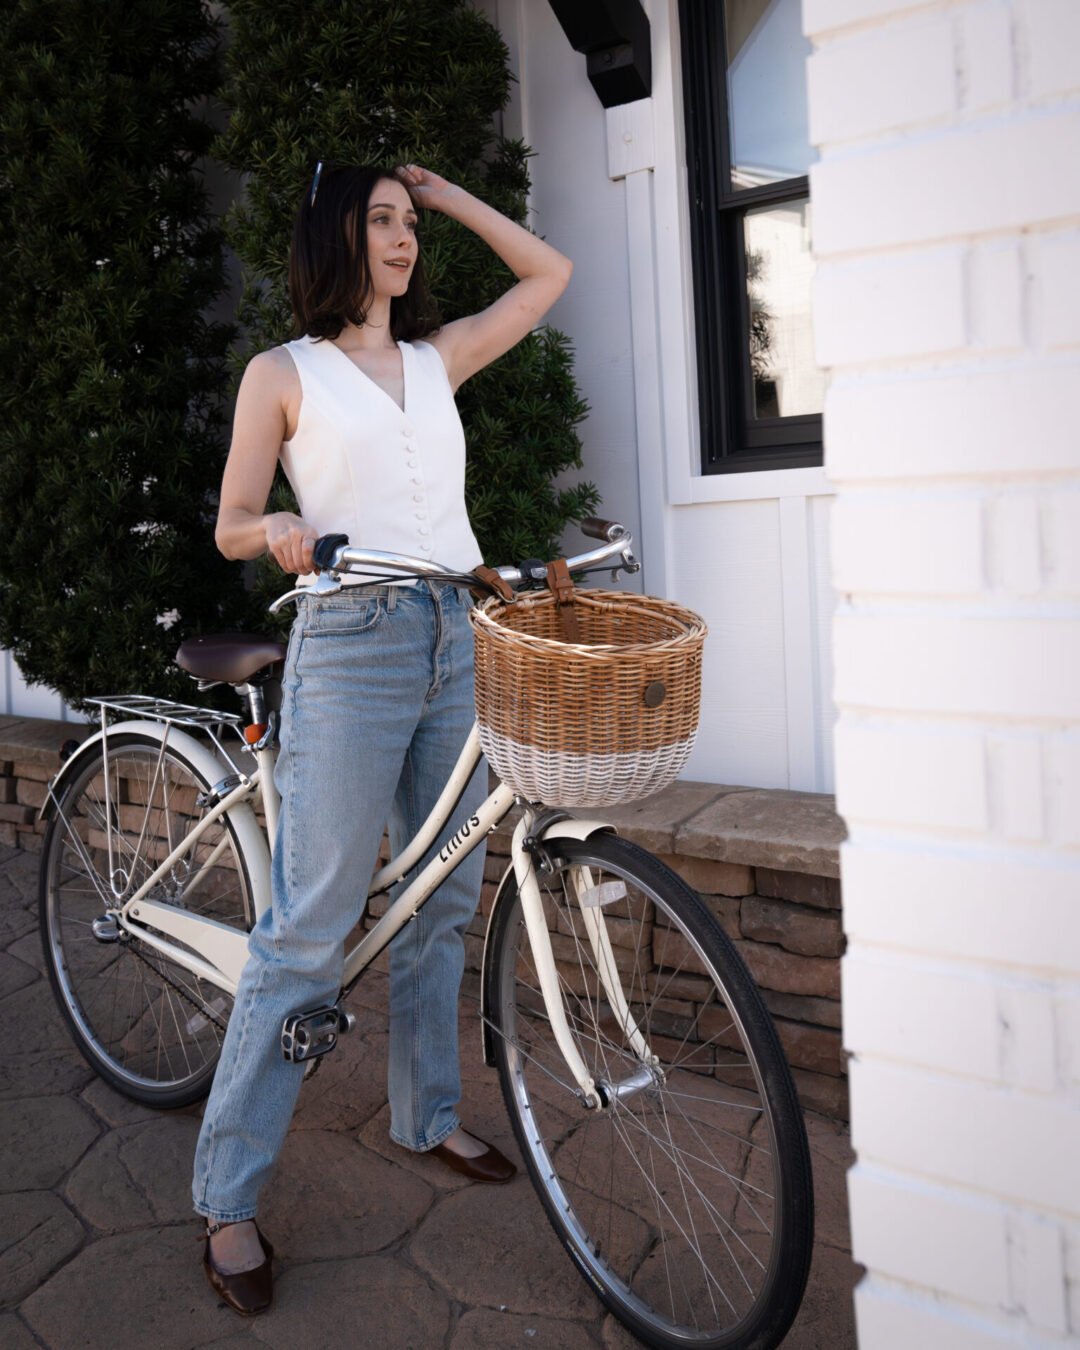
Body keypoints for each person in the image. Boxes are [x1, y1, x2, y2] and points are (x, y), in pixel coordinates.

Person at [192, 160, 572, 1315]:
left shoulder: (434, 357)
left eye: (411, 225)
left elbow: (547, 274)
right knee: (311, 922)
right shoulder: (283, 374)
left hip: (455, 632)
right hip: (350, 645)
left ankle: (426, 1116)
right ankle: (228, 1196)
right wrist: (283, 530)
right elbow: (229, 525)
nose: (403, 241)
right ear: (334, 234)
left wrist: (450, 194)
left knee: (444, 893)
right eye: (382, 220)